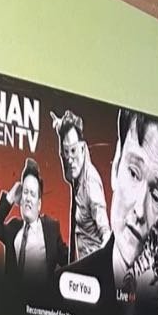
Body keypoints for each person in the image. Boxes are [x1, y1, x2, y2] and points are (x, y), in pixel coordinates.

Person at [66, 107, 158, 315]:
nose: (139, 210)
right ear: (116, 165)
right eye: (134, 173)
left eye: (157, 197)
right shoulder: (60, 288)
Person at [0, 158, 67, 299]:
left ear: (39, 204)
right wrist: (11, 196)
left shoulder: (51, 228)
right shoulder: (13, 228)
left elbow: (69, 260)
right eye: (25, 192)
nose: (28, 198)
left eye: (32, 194)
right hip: (13, 304)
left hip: (41, 305)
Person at [53, 109, 109, 263]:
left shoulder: (90, 183)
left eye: (73, 151)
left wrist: (101, 263)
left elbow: (106, 232)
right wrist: (60, 128)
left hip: (93, 266)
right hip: (79, 261)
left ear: (83, 148)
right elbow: (64, 158)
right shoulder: (75, 172)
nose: (70, 159)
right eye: (66, 152)